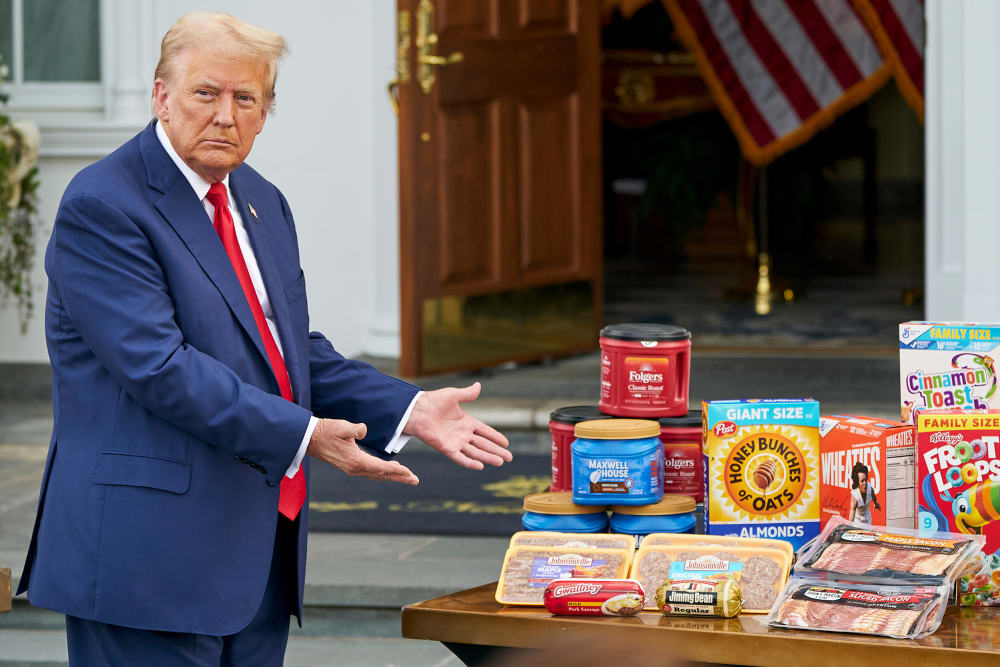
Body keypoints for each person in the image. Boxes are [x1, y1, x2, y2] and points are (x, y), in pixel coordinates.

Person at [16, 12, 511, 665]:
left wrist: (405, 407)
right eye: (205, 93)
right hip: (145, 564)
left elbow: (286, 348)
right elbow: (160, 367)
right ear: (162, 96)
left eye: (245, 98)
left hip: (253, 562)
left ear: (265, 111)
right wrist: (306, 435)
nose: (225, 115)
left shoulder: (260, 199)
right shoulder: (103, 203)